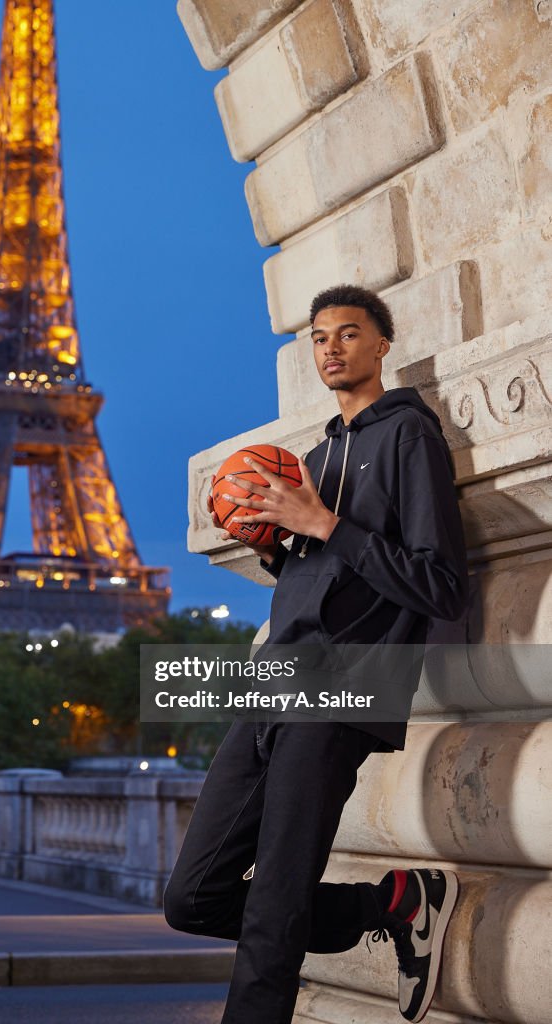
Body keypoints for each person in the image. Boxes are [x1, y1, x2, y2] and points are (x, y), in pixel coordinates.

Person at [163, 284, 469, 1024]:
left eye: (348, 333)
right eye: (319, 337)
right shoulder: (311, 456)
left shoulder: (407, 438)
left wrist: (325, 524)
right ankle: (392, 903)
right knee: (190, 897)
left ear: (381, 345)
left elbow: (439, 583)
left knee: (272, 909)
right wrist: (276, 544)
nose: (330, 347)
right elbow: (315, 574)